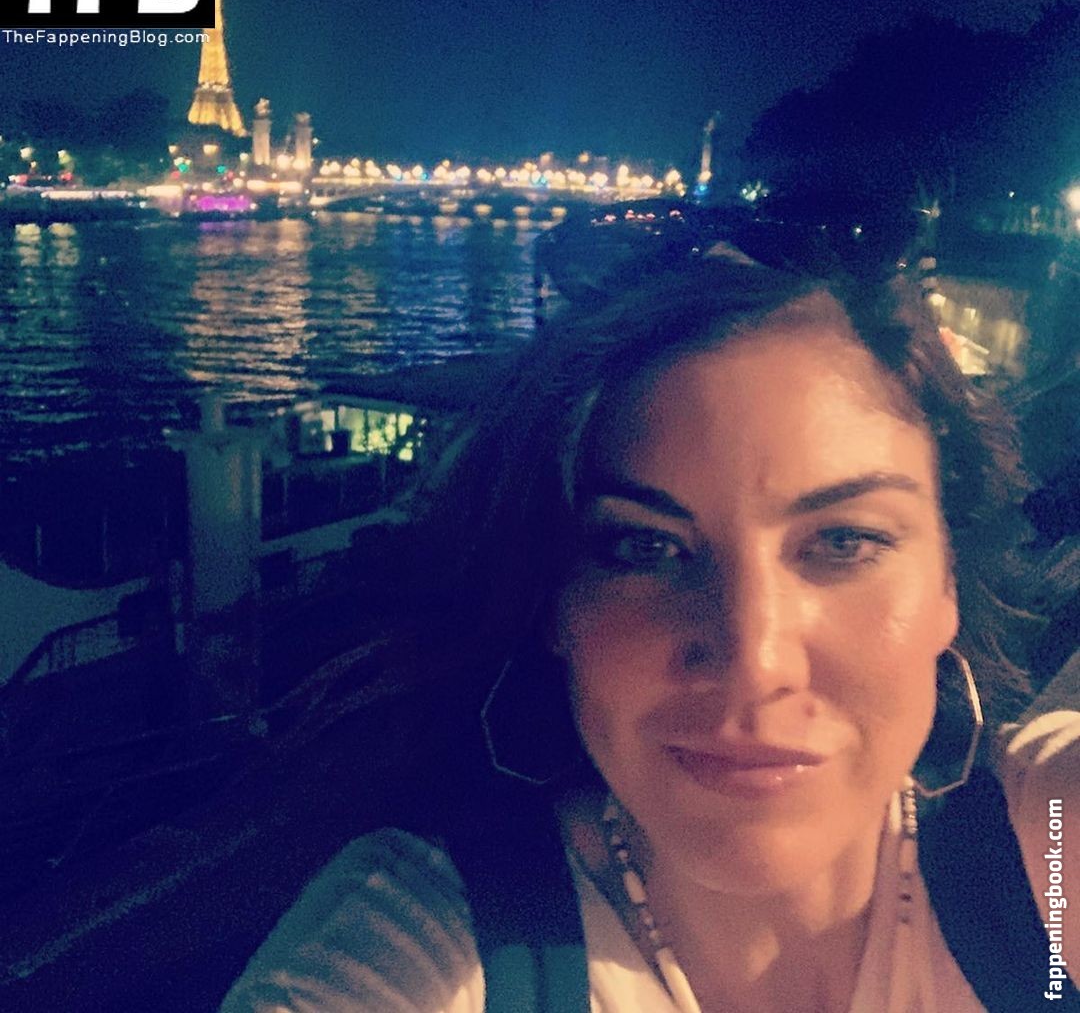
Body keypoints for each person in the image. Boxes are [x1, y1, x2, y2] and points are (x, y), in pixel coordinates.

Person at [221, 233, 1080, 1012]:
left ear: (946, 583)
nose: (755, 659)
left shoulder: (1050, 850)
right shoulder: (426, 950)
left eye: (843, 541)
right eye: (645, 548)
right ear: (554, 602)